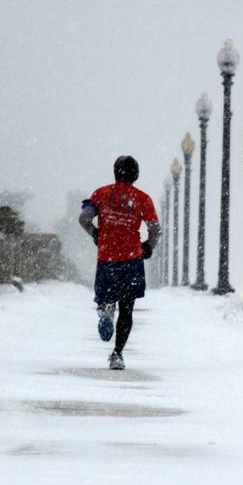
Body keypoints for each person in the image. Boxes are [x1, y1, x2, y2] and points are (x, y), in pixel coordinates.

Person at [79, 155, 161, 370]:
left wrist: (96, 233)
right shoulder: (142, 198)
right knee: (127, 309)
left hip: (107, 257)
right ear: (136, 175)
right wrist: (148, 246)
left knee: (106, 295)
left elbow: (84, 219)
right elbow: (154, 228)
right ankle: (117, 354)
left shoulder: (100, 194)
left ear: (115, 172)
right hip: (131, 259)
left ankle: (105, 309)